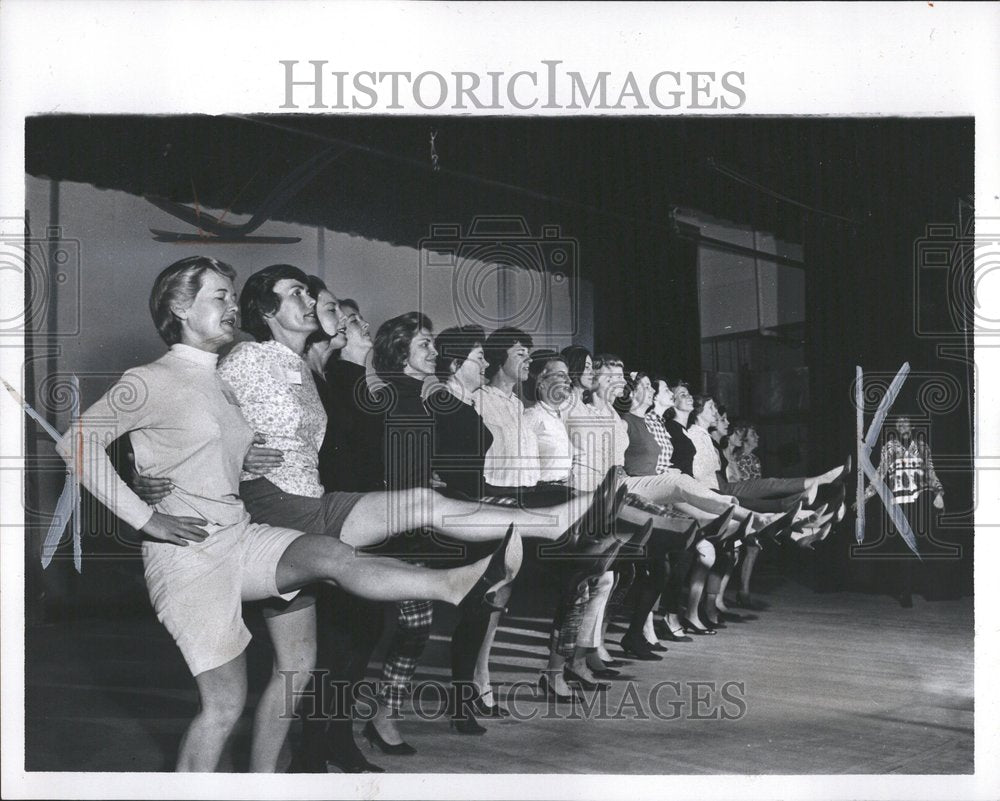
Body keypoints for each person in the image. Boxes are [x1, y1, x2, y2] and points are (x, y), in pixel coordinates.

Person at [56, 256, 523, 773]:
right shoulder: (148, 377)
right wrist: (144, 515)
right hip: (189, 554)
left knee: (325, 573)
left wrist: (240, 455)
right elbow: (77, 442)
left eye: (233, 296)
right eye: (219, 296)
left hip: (241, 534)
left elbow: (213, 445)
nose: (232, 306)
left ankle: (448, 584)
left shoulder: (223, 376)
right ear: (180, 308)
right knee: (224, 705)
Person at [859, 415, 945, 607]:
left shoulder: (922, 447)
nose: (902, 425)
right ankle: (906, 593)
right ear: (896, 428)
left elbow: (930, 472)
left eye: (905, 422)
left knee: (925, 544)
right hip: (900, 503)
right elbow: (879, 473)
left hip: (921, 500)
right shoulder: (890, 447)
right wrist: (865, 495)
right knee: (905, 549)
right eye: (899, 424)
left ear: (912, 426)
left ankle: (930, 588)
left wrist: (939, 494)